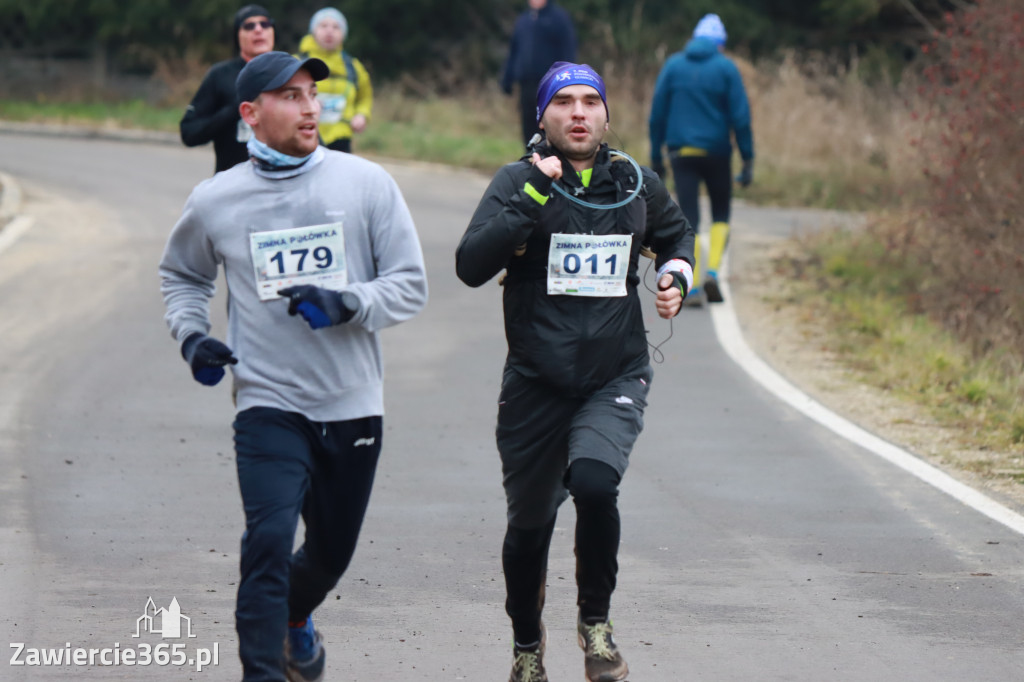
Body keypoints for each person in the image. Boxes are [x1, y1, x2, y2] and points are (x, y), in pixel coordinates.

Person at [159, 52, 428, 682]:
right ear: (250, 114)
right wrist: (192, 337)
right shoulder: (217, 200)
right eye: (290, 95)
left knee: (328, 555)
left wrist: (348, 302)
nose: (310, 107)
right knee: (269, 543)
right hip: (267, 401)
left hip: (351, 401)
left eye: (313, 94)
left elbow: (410, 285)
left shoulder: (365, 184)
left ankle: (293, 618)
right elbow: (182, 275)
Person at [457, 62, 695, 682]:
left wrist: (674, 277)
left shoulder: (635, 183)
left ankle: (596, 625)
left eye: (591, 100)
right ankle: (527, 646)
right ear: (544, 116)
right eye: (564, 102)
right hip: (536, 381)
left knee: (594, 484)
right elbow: (470, 264)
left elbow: (676, 238)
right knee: (529, 529)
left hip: (613, 374)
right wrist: (534, 195)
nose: (580, 112)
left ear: (607, 114)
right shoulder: (517, 181)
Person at [648, 13, 754, 306]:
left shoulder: (673, 65)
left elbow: (657, 116)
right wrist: (747, 159)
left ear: (693, 38)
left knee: (688, 218)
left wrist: (656, 156)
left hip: (681, 153)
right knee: (720, 214)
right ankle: (713, 272)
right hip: (717, 152)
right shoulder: (726, 68)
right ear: (720, 44)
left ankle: (690, 284)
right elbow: (741, 117)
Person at [180, 4, 276, 173]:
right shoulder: (220, 75)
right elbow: (190, 133)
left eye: (265, 24)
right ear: (237, 36)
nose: (258, 30)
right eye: (249, 26)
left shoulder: (290, 73)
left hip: (281, 184)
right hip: (233, 184)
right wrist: (234, 109)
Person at [296, 7, 373, 153]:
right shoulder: (296, 63)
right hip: (304, 134)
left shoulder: (354, 67)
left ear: (343, 34)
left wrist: (362, 115)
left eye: (336, 27)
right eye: (323, 26)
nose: (329, 31)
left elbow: (365, 96)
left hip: (341, 138)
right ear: (313, 31)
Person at [501, 0, 577, 147]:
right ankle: (530, 160)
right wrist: (507, 78)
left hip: (549, 85)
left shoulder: (559, 19)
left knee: (547, 124)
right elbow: (514, 51)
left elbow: (568, 51)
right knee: (528, 124)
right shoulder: (524, 20)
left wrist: (567, 81)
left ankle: (550, 160)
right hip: (526, 83)